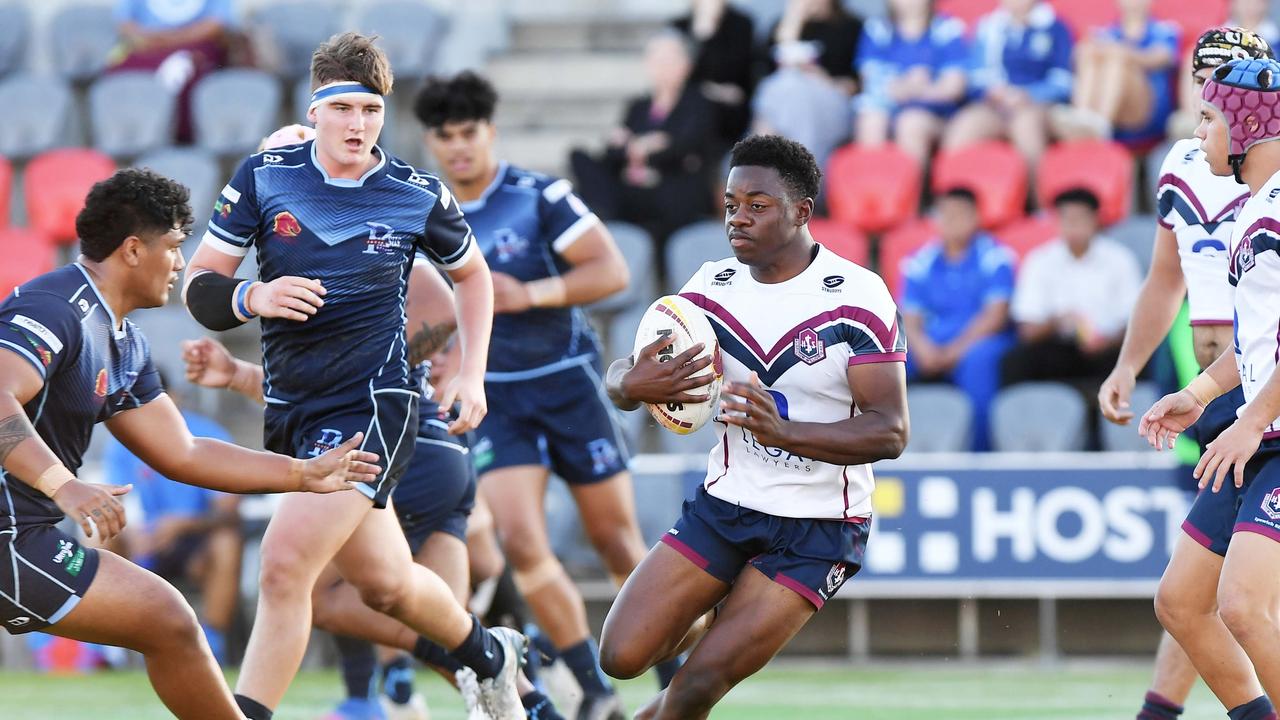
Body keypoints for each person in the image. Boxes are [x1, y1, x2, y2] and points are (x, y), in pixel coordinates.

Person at [181, 33, 526, 720]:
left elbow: (474, 277)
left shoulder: (412, 190)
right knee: (388, 586)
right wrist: (254, 296)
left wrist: (473, 376)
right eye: (344, 109)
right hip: (297, 412)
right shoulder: (263, 176)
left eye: (371, 110)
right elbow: (198, 284)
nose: (358, 125)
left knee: (283, 567)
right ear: (315, 110)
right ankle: (490, 656)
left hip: (375, 403)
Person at [0, 167, 380, 719]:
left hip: (22, 530)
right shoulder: (56, 309)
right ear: (133, 250)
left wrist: (301, 473)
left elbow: (186, 452)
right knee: (168, 618)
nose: (182, 264)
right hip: (9, 533)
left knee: (169, 621)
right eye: (175, 247)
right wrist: (65, 486)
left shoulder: (124, 344)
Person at [600, 134, 909, 719]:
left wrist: (786, 434)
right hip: (726, 507)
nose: (737, 219)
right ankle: (708, 616)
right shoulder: (710, 286)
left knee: (692, 691)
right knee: (619, 655)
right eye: (730, 204)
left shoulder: (858, 297)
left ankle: (718, 635)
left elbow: (890, 432)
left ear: (801, 212)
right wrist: (627, 386)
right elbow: (630, 370)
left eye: (756, 205)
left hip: (818, 527)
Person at [415, 71, 655, 720]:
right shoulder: (423, 211)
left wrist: (533, 294)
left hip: (568, 384)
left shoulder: (538, 196)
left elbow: (612, 271)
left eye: (470, 133)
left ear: (490, 132)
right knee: (522, 541)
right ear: (431, 142)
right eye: (446, 137)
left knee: (616, 543)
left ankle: (676, 676)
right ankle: (595, 693)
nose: (459, 147)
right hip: (494, 397)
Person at [1095, 28, 1273, 720]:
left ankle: (1158, 714)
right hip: (1220, 388)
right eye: (1203, 80)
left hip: (1258, 396)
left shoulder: (1264, 183)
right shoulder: (1184, 164)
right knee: (1197, 591)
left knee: (1239, 596)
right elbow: (1165, 279)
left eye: (1226, 81)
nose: (1209, 93)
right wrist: (1131, 366)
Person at [1140, 55, 1280, 717]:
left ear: (1252, 123)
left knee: (1245, 607)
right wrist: (1197, 395)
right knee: (1180, 603)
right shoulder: (1259, 207)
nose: (1200, 135)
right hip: (1257, 436)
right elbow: (1257, 346)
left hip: (1269, 436)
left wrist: (1251, 421)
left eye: (1210, 117)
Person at [103, 376, 242, 665]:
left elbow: (229, 511)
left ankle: (210, 643)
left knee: (227, 542)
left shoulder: (207, 434)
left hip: (195, 544)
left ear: (174, 398)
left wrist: (183, 524)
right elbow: (114, 500)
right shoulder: (123, 438)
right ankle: (108, 641)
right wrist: (131, 527)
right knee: (99, 533)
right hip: (145, 542)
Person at [570, 31, 718, 258]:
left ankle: (604, 219)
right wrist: (644, 146)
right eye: (655, 60)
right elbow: (612, 153)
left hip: (671, 190)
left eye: (668, 60)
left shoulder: (696, 103)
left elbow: (686, 149)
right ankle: (602, 216)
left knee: (672, 188)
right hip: (632, 188)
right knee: (579, 156)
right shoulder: (638, 106)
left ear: (686, 65)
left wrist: (638, 149)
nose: (660, 67)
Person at [901, 187, 1016, 451]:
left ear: (976, 217)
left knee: (978, 363)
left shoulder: (995, 256)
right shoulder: (920, 261)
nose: (951, 221)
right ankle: (879, 447)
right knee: (884, 361)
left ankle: (980, 452)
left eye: (959, 214)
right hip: (933, 339)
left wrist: (955, 351)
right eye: (945, 214)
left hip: (979, 339)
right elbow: (910, 317)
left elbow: (995, 317)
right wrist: (923, 348)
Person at [1002, 188, 1142, 391]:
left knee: (1135, 359)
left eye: (1081, 219)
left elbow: (1134, 321)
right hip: (1056, 347)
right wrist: (1058, 322)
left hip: (1110, 349)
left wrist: (1107, 342)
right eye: (1067, 219)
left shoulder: (1120, 259)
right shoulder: (1039, 260)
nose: (1074, 226)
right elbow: (1027, 329)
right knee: (1015, 361)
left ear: (1096, 220)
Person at [941, 0, 1073, 169]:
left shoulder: (1055, 28)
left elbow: (1063, 82)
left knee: (1026, 127)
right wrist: (993, 92)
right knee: (964, 128)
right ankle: (951, 190)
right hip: (995, 105)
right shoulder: (987, 27)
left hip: (1035, 105)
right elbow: (975, 75)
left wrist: (1028, 94)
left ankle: (1035, 194)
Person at [854, 0, 969, 166]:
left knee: (910, 123)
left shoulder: (947, 28)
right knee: (871, 119)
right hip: (887, 107)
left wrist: (916, 89)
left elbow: (954, 88)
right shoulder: (878, 28)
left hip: (937, 116)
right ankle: (873, 187)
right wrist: (908, 84)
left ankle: (910, 190)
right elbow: (870, 79)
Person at [1052, 0, 1179, 146]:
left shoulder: (1163, 30)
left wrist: (1121, 52)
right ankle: (1082, 116)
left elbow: (1161, 57)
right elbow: (1079, 55)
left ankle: (1100, 124)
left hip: (1147, 113)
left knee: (1116, 59)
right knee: (1090, 52)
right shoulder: (1108, 32)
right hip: (1118, 114)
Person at [753, 0, 863, 167]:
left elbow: (856, 84)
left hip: (830, 105)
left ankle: (769, 178)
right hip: (784, 102)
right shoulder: (781, 26)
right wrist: (793, 19)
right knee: (788, 84)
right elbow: (770, 74)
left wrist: (821, 79)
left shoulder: (851, 27)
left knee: (796, 98)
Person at [110, 0, 235, 142]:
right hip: (147, 46)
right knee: (123, 74)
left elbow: (217, 23)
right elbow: (125, 22)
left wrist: (173, 39)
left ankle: (180, 141)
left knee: (183, 71)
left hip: (195, 45)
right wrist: (147, 39)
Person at [670, 0, 757, 150]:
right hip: (689, 104)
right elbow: (678, 76)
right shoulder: (679, 26)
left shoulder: (741, 24)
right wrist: (701, 36)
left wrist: (711, 33)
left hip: (730, 110)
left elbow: (735, 72)